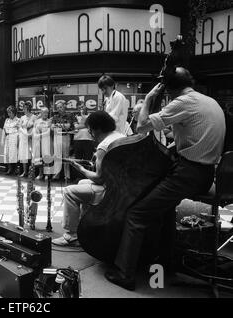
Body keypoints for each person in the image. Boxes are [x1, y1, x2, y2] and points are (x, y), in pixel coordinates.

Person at [105, 67, 226, 291]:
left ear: (169, 90)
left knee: (137, 214)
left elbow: (141, 127)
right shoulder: (210, 101)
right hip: (207, 174)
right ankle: (166, 264)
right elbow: (194, 137)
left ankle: (125, 274)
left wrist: (149, 98)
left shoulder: (183, 102)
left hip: (187, 174)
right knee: (165, 210)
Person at [52, 111, 125, 246]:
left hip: (109, 192)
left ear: (97, 128)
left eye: (90, 130)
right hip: (122, 186)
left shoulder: (103, 146)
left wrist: (81, 169)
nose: (90, 133)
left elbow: (98, 178)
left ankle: (71, 235)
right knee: (82, 183)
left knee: (69, 191)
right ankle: (86, 227)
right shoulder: (120, 136)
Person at [51, 100, 76, 181]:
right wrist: (61, 126)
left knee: (66, 156)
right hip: (57, 137)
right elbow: (51, 127)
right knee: (57, 156)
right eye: (58, 108)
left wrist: (58, 125)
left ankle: (67, 176)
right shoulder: (55, 117)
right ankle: (57, 174)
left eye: (61, 107)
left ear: (64, 107)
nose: (59, 109)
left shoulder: (69, 115)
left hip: (65, 136)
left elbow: (68, 126)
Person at [18, 101, 37, 177]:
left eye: (25, 108)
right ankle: (25, 171)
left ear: (28, 108)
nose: (24, 110)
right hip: (24, 138)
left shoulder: (34, 117)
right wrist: (24, 133)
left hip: (31, 138)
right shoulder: (22, 117)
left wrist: (30, 134)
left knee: (32, 155)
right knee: (24, 154)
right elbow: (19, 127)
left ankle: (32, 172)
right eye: (23, 108)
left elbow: (35, 127)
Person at [32, 107, 52, 180]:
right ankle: (40, 174)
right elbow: (34, 132)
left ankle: (47, 174)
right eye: (44, 112)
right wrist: (38, 135)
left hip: (46, 141)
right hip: (38, 141)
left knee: (46, 157)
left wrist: (40, 135)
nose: (45, 114)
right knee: (39, 157)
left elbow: (48, 132)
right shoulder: (37, 121)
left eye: (47, 112)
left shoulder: (49, 121)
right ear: (41, 113)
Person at [3, 105, 20, 175]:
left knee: (14, 153)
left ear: (14, 112)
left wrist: (18, 139)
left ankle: (15, 169)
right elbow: (4, 128)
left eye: (10, 112)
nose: (9, 114)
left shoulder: (18, 120)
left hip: (14, 137)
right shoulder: (7, 120)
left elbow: (19, 130)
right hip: (8, 137)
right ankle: (9, 168)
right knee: (7, 153)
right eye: (8, 113)